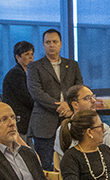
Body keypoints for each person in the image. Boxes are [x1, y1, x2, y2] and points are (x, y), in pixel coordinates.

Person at [25, 28, 82, 171]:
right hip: (44, 123)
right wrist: (61, 106)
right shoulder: (34, 66)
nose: (51, 45)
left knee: (71, 163)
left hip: (69, 120)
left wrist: (69, 106)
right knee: (46, 166)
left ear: (61, 44)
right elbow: (36, 92)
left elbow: (79, 88)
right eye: (48, 42)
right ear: (43, 45)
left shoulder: (72, 65)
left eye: (55, 42)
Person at [53, 85, 110, 165]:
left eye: (93, 97)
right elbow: (74, 160)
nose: (94, 101)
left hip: (106, 171)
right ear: (75, 104)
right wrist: (100, 153)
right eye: (87, 98)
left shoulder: (103, 126)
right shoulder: (65, 129)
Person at [1, 40, 35, 139]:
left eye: (32, 54)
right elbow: (25, 97)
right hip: (19, 121)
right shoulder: (16, 73)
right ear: (18, 57)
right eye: (27, 54)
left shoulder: (26, 73)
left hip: (25, 121)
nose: (31, 57)